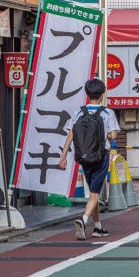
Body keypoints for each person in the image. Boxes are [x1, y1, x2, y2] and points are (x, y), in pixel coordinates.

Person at [59, 78, 120, 240]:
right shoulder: (108, 113)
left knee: (93, 192)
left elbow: (71, 134)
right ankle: (83, 220)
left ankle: (98, 227)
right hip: (100, 157)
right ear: (102, 94)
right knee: (95, 193)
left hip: (83, 157)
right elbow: (113, 135)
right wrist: (105, 134)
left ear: (87, 94)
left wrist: (63, 156)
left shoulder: (79, 112)